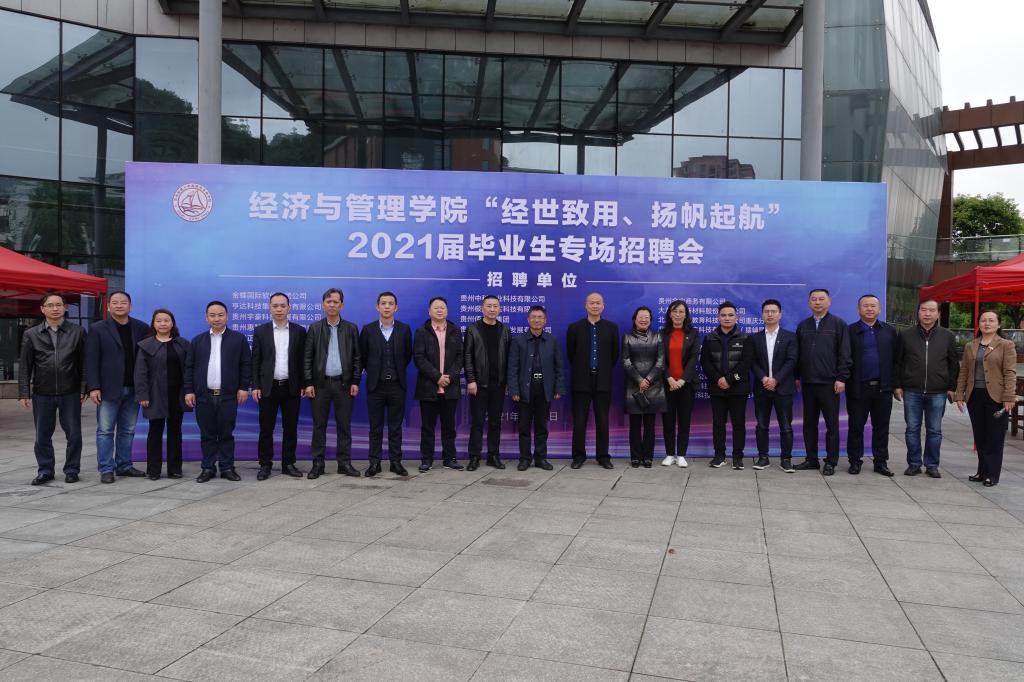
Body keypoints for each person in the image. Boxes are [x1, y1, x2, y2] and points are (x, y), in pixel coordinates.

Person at [18, 292, 87, 485]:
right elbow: (25, 366)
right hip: (42, 392)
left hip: (70, 391)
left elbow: (84, 364)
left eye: (58, 304)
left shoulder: (78, 332)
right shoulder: (31, 334)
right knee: (42, 435)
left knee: (74, 433)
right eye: (50, 305)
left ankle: (72, 470)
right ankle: (45, 470)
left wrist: (84, 388)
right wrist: (24, 392)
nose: (55, 308)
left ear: (65, 307)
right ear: (42, 309)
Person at [85, 290, 150, 483]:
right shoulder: (97, 328)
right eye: (115, 302)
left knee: (127, 430)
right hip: (108, 388)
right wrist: (93, 387)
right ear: (108, 306)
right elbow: (91, 360)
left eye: (123, 302)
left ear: (131, 306)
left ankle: (124, 465)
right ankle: (106, 468)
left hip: (134, 388)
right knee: (105, 430)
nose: (119, 305)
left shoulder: (141, 327)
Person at [184, 301, 251, 483]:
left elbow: (246, 364)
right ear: (206, 318)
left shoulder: (238, 339)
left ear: (227, 316)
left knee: (226, 434)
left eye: (220, 315)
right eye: (212, 315)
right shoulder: (198, 341)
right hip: (204, 396)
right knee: (207, 434)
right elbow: (189, 367)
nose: (216, 318)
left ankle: (227, 467)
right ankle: (208, 468)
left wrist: (243, 387)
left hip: (228, 396)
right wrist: (189, 391)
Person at [894, 299, 959, 478]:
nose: (927, 314)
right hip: (912, 390)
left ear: (938, 314)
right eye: (923, 310)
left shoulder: (947, 335)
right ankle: (914, 463)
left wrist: (952, 387)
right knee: (912, 429)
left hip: (938, 391)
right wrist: (897, 385)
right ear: (918, 313)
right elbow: (898, 362)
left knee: (934, 430)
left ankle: (932, 464)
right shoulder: (906, 335)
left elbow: (953, 363)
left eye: (931, 310)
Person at [303, 288, 362, 479]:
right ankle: (318, 464)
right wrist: (308, 383)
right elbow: (307, 358)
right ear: (323, 304)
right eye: (328, 302)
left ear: (341, 305)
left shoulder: (351, 328)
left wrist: (355, 380)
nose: (332, 305)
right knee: (319, 426)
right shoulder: (314, 328)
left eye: (336, 302)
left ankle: (344, 463)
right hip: (320, 385)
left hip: (344, 385)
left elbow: (357, 357)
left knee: (344, 426)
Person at [955, 310, 1016, 487]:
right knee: (980, 436)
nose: (987, 323)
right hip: (975, 395)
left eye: (991, 320)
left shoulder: (1006, 345)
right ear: (979, 324)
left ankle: (992, 474)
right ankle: (981, 471)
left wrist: (1009, 396)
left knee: (994, 437)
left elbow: (1010, 372)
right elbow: (964, 371)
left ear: (998, 324)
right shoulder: (971, 345)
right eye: (983, 320)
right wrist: (960, 394)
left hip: (997, 397)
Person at [794, 288, 851, 476]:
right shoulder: (803, 326)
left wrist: (841, 378)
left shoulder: (838, 324)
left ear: (829, 301)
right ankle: (811, 459)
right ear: (809, 303)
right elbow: (797, 354)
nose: (817, 302)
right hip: (808, 383)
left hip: (830, 384)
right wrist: (796, 376)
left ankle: (831, 461)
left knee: (831, 425)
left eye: (821, 299)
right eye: (814, 299)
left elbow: (845, 354)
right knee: (809, 424)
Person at [252, 292, 307, 481]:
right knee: (266, 429)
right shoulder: (261, 331)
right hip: (268, 387)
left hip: (291, 387)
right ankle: (265, 464)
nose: (279, 309)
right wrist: (256, 385)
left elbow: (303, 360)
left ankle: (288, 463)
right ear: (270, 308)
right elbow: (255, 360)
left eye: (283, 306)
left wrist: (303, 383)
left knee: (290, 428)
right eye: (275, 306)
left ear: (289, 308)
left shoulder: (299, 331)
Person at [359, 291, 412, 477]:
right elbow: (363, 356)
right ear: (377, 307)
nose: (387, 306)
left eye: (390, 303)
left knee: (396, 427)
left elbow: (407, 355)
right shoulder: (368, 330)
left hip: (397, 385)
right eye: (383, 303)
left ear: (396, 307)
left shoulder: (404, 329)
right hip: (376, 386)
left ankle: (395, 462)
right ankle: (374, 463)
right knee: (375, 427)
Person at [846, 294, 899, 477]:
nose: (869, 309)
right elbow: (845, 358)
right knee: (856, 427)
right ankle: (855, 461)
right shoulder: (850, 331)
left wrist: (896, 384)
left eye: (873, 306)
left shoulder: (889, 331)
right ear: (858, 309)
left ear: (879, 309)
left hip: (883, 388)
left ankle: (881, 462)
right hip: (858, 388)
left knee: (881, 427)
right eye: (865, 305)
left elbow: (897, 360)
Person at [566, 292, 620, 469]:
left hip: (603, 380)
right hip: (581, 380)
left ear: (603, 306)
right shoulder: (574, 328)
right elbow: (571, 354)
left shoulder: (611, 328)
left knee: (602, 420)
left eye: (598, 303)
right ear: (586, 305)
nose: (595, 306)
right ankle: (578, 456)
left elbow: (614, 355)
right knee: (579, 420)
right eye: (592, 303)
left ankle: (603, 456)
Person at [135, 309, 190, 480]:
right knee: (155, 432)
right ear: (153, 324)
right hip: (155, 394)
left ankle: (175, 469)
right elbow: (140, 372)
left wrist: (189, 391)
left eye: (166, 320)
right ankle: (154, 470)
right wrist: (143, 394)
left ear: (172, 323)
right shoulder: (145, 345)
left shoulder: (182, 344)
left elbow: (189, 369)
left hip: (177, 394)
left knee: (175, 432)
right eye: (159, 321)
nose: (163, 323)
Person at [508, 306, 564, 471]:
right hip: (525, 390)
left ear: (545, 321)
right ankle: (525, 459)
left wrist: (558, 388)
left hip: (545, 389)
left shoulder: (552, 340)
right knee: (524, 426)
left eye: (540, 317)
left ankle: (541, 458)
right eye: (534, 317)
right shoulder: (518, 340)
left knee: (541, 426)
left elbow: (559, 367)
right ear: (528, 319)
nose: (537, 320)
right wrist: (514, 390)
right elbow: (512, 367)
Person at [700, 301, 753, 469]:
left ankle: (737, 457)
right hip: (717, 388)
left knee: (738, 424)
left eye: (730, 315)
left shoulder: (745, 338)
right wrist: (718, 379)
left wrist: (730, 379)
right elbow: (705, 363)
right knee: (718, 423)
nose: (727, 318)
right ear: (718, 317)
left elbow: (746, 363)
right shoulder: (709, 338)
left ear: (737, 317)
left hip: (738, 388)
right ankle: (719, 456)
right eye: (723, 315)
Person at [414, 297, 464, 472]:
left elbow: (460, 357)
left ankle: (449, 458)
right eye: (436, 308)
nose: (440, 310)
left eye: (442, 307)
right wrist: (437, 377)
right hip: (429, 387)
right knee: (427, 426)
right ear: (429, 311)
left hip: (450, 387)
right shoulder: (422, 331)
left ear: (447, 311)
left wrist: (449, 376)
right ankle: (426, 459)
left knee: (449, 426)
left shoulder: (455, 331)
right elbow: (419, 358)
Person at [463, 294, 511, 471]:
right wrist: (471, 380)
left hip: (498, 385)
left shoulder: (505, 330)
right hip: (479, 385)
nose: (492, 309)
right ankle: (474, 457)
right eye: (488, 306)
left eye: (495, 306)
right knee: (477, 422)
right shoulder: (473, 329)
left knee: (495, 422)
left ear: (500, 309)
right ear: (482, 308)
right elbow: (467, 356)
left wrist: (507, 382)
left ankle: (493, 455)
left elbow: (509, 358)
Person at [750, 299, 798, 473]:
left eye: (773, 311)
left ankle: (786, 459)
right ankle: (763, 457)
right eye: (766, 311)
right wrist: (764, 378)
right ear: (762, 314)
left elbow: (791, 361)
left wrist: (776, 379)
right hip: (762, 388)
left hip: (783, 388)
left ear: (780, 314)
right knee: (762, 425)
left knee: (786, 426)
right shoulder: (754, 338)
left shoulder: (790, 337)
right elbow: (752, 362)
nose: (770, 314)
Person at [622, 306, 666, 468]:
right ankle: (635, 456)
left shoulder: (658, 337)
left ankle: (648, 457)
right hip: (634, 387)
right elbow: (625, 361)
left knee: (650, 425)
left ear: (650, 320)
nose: (643, 320)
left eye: (646, 317)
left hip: (654, 387)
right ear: (634, 319)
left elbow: (660, 362)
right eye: (640, 317)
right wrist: (639, 380)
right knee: (634, 426)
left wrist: (648, 379)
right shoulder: (627, 337)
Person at [660, 300, 699, 468]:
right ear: (669, 314)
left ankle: (681, 454)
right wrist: (669, 378)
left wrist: (682, 380)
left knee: (684, 420)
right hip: (667, 383)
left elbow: (693, 358)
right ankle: (669, 454)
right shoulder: (662, 334)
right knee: (668, 420)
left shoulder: (694, 333)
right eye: (674, 311)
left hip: (686, 384)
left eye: (681, 311)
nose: (677, 315)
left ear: (686, 314)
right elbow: (660, 358)